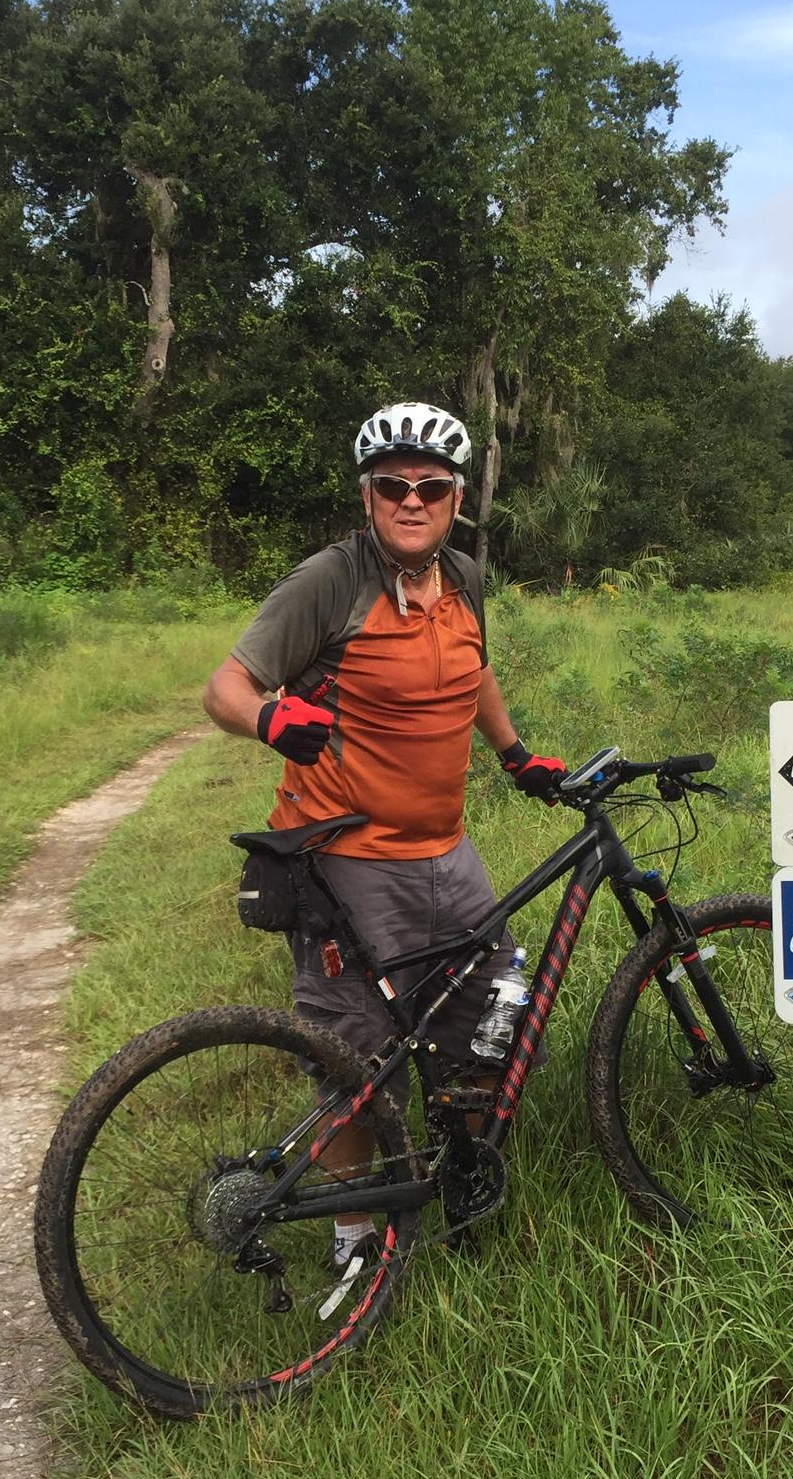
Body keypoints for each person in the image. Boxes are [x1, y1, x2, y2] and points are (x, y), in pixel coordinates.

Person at [202, 400, 566, 1294]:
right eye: (393, 487)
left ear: (455, 499)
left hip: (447, 853)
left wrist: (515, 754)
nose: (413, 500)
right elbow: (225, 686)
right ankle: (354, 1236)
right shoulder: (330, 581)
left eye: (431, 487)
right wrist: (270, 717)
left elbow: (474, 669)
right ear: (368, 497)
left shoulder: (467, 579)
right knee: (356, 1053)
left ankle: (457, 1185)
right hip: (343, 862)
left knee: (489, 1022)